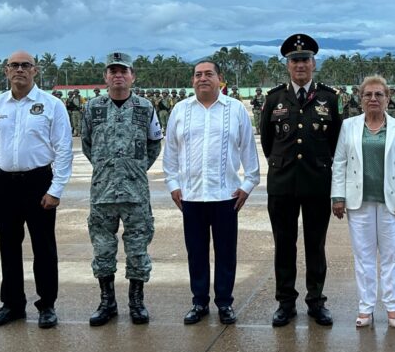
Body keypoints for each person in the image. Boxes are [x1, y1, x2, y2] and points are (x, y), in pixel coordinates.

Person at [0, 51, 73, 329]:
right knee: (8, 247)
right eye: (14, 65)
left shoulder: (51, 105)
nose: (20, 70)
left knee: (43, 247)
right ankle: (13, 304)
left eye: (25, 65)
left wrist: (56, 189)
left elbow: (64, 149)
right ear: (6, 71)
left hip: (38, 182)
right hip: (4, 183)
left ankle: (47, 305)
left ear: (35, 71)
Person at [164, 60, 260, 326]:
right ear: (192, 80)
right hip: (191, 197)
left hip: (226, 196)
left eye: (209, 74)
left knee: (226, 253)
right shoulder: (180, 110)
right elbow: (170, 152)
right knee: (196, 252)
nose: (203, 78)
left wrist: (248, 184)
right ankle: (199, 302)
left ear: (220, 79)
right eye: (198, 75)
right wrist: (173, 185)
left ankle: (225, 303)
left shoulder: (236, 109)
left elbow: (248, 151)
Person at [259, 33, 341, 327]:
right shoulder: (274, 99)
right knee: (284, 245)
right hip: (282, 185)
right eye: (294, 60)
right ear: (287, 65)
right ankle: (285, 302)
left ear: (313, 63)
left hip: (317, 183)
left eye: (305, 59)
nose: (300, 64)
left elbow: (336, 143)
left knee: (315, 245)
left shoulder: (329, 99)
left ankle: (316, 301)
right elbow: (268, 143)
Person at [81, 53, 163, 326]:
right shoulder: (92, 108)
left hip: (136, 192)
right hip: (102, 192)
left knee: (138, 248)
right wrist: (108, 169)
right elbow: (87, 144)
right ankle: (107, 302)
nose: (118, 75)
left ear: (132, 76)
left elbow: (154, 145)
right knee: (103, 249)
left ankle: (136, 302)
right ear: (105, 77)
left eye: (123, 71)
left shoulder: (145, 107)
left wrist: (134, 168)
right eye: (112, 71)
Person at [331, 76, 395, 329]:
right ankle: (365, 306)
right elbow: (340, 163)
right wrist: (338, 196)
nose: (373, 99)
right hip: (359, 202)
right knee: (364, 256)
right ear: (360, 99)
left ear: (388, 98)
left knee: (392, 255)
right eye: (368, 94)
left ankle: (392, 306)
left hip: (392, 203)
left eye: (379, 94)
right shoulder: (349, 126)